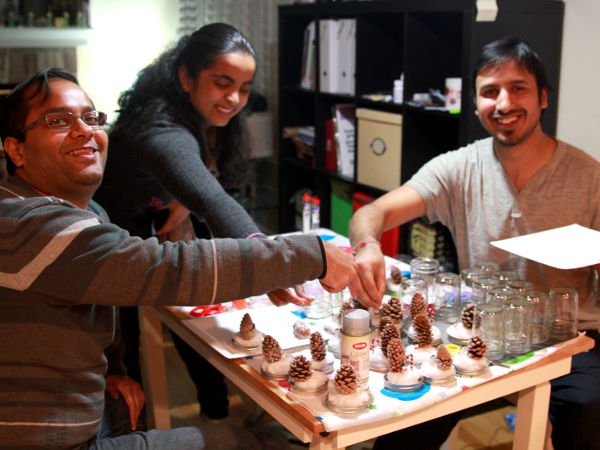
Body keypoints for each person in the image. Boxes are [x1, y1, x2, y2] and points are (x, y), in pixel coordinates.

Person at [0, 67, 360, 449]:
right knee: (248, 443)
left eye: (91, 118)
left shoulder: (80, 211)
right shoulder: (26, 224)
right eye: (58, 120)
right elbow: (163, 267)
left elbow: (101, 296)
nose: (84, 130)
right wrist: (311, 254)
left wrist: (112, 372)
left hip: (74, 415)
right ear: (16, 149)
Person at [349, 37, 600, 450]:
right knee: (404, 422)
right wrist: (368, 246)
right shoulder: (458, 168)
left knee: (589, 411)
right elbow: (370, 214)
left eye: (518, 88)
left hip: (568, 339)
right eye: (489, 92)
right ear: (476, 101)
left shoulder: (587, 177)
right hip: (474, 336)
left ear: (543, 98)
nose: (503, 104)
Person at [92, 23, 321, 422]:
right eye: (221, 82)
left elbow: (207, 182)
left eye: (244, 87)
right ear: (185, 77)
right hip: (113, 246)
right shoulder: (158, 127)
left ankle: (216, 415)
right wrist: (276, 260)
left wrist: (181, 199)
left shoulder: (203, 118)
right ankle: (138, 432)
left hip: (159, 229)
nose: (234, 98)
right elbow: (211, 198)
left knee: (195, 319)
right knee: (124, 361)